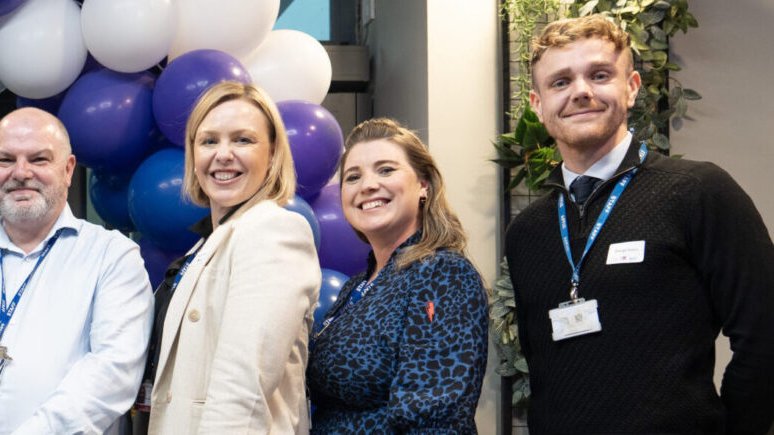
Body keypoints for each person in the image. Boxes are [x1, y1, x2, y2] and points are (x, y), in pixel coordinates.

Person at [506, 14, 774, 434]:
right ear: (538, 106)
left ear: (630, 89)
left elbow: (765, 335)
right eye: (560, 82)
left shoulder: (697, 192)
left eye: (599, 75)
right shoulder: (528, 233)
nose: (580, 92)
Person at [0, 107, 153, 435]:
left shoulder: (113, 257)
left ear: (68, 170)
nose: (20, 173)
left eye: (39, 159)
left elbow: (113, 370)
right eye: (5, 160)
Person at [144, 82, 320, 434]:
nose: (223, 154)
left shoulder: (273, 229)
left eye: (242, 140)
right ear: (193, 157)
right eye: (209, 141)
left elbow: (243, 392)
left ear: (272, 155)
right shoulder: (206, 246)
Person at [305, 118, 487, 432]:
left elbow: (435, 418)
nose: (368, 185)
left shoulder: (442, 275)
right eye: (353, 176)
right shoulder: (357, 285)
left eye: (386, 170)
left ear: (423, 184)